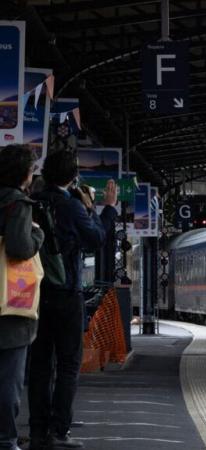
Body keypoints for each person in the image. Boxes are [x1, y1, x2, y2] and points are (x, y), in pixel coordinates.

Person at [28, 150, 118, 450]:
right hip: (66, 294)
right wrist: (105, 209)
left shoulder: (35, 201)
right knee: (68, 363)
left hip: (36, 294)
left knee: (40, 364)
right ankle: (59, 429)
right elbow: (96, 239)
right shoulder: (71, 206)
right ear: (73, 176)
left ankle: (38, 431)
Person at [0, 145, 45, 450]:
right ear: (26, 175)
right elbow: (18, 248)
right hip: (10, 308)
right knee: (8, 380)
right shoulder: (17, 204)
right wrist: (37, 234)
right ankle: (5, 439)